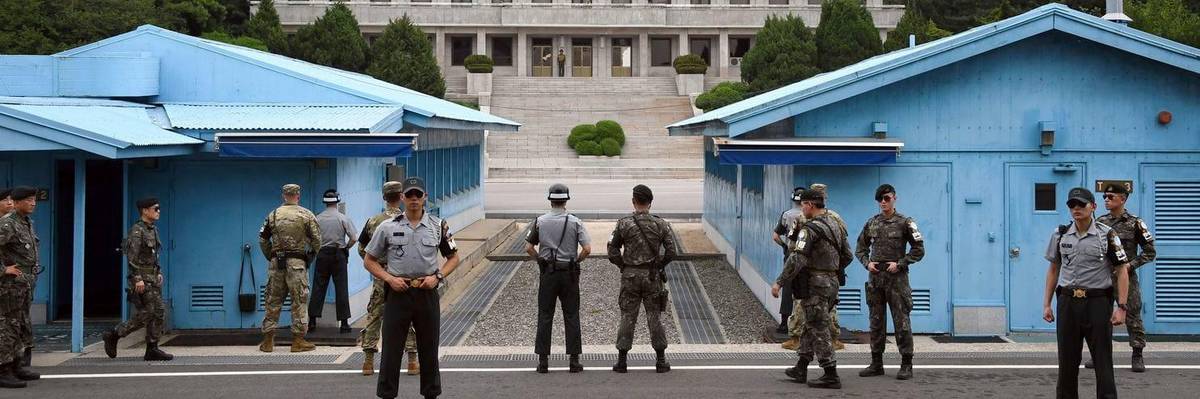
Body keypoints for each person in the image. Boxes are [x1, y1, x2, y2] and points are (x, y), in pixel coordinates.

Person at [363, 177, 460, 399]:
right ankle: (387, 394)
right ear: (402, 198)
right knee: (391, 349)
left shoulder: (438, 226)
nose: (414, 199)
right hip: (398, 292)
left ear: (425, 197)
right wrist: (388, 278)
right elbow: (369, 260)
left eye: (418, 195)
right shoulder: (388, 227)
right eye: (409, 195)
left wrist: (438, 276)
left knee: (429, 346)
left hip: (426, 292)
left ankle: (431, 393)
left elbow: (453, 258)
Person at [1043, 187, 1129, 399]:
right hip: (1068, 302)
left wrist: (1122, 307)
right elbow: (1054, 269)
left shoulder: (1107, 234)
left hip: (1097, 303)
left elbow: (1122, 270)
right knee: (1067, 361)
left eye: (1081, 204)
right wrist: (1046, 303)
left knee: (1102, 360)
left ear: (1093, 206)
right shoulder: (1060, 234)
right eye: (1072, 205)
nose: (1076, 208)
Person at [778, 188, 852, 389]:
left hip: (816, 284)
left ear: (810, 204)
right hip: (832, 282)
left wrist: (780, 282)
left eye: (803, 205)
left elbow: (797, 258)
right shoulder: (835, 224)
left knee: (819, 327)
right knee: (811, 324)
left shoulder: (809, 229)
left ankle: (830, 373)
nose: (802, 209)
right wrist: (831, 269)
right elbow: (848, 255)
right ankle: (801, 366)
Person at [855, 184, 924, 380]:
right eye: (880, 200)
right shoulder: (872, 223)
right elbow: (860, 248)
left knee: (901, 322)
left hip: (897, 279)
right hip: (876, 278)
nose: (883, 202)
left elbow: (919, 249)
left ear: (895, 198)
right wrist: (867, 263)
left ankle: (906, 364)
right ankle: (876, 363)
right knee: (876, 322)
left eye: (886, 198)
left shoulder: (905, 223)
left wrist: (901, 263)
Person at [608, 184, 676, 374]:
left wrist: (623, 265)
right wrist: (659, 264)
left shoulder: (624, 223)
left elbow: (612, 250)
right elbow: (671, 251)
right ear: (650, 203)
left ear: (633, 201)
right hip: (652, 276)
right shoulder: (660, 224)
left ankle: (622, 361)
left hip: (630, 276)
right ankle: (661, 360)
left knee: (627, 316)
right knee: (654, 316)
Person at [526, 183, 591, 373]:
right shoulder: (575, 222)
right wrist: (576, 260)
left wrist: (540, 260)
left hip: (548, 273)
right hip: (569, 273)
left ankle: (543, 361)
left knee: (545, 315)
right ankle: (574, 361)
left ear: (550, 200)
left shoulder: (540, 221)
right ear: (566, 200)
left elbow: (528, 247)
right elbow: (587, 249)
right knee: (571, 314)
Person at [358, 182, 420, 377]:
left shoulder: (373, 221)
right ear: (401, 197)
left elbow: (363, 249)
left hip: (381, 276)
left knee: (374, 315)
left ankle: (368, 362)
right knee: (409, 315)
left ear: (384, 198)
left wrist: (377, 266)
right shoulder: (408, 220)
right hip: (404, 276)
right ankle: (412, 360)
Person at [1092, 182, 1155, 373]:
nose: (1106, 200)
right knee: (1100, 317)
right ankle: (1099, 357)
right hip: (1103, 277)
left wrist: (1129, 266)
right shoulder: (1100, 222)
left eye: (1111, 197)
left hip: (1126, 277)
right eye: (1104, 197)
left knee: (1132, 314)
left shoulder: (1136, 223)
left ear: (1123, 199)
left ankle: (1137, 355)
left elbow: (1150, 252)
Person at [103, 197, 173, 361]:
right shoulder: (137, 231)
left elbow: (153, 255)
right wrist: (137, 278)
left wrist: (159, 271)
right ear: (145, 210)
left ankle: (152, 348)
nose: (158, 211)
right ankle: (114, 334)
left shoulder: (152, 230)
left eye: (159, 208)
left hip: (152, 278)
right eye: (155, 208)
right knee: (148, 313)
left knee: (159, 312)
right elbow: (132, 258)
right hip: (141, 279)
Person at [257, 184, 321, 353]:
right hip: (298, 264)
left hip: (276, 263)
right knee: (299, 300)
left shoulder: (273, 214)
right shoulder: (306, 214)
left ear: (283, 196)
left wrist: (271, 256)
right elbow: (317, 240)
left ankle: (268, 341)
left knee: (272, 300)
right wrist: (310, 256)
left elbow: (263, 239)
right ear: (298, 196)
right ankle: (298, 341)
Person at [0, 186, 42, 388]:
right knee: (8, 326)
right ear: (16, 203)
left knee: (21, 325)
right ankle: (3, 369)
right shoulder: (7, 224)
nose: (32, 203)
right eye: (27, 200)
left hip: (24, 284)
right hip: (10, 286)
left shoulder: (26, 222)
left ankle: (17, 364)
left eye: (34, 199)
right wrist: (3, 270)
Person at [311, 189, 357, 333]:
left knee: (318, 287)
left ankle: (312, 321)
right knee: (341, 287)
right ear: (337, 201)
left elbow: (311, 239)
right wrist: (346, 248)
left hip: (322, 254)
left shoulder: (317, 219)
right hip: (339, 254)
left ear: (325, 202)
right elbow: (354, 238)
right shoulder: (343, 218)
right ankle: (344, 323)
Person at [772, 187, 805, 350]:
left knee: (788, 289)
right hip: (808, 258)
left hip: (791, 256)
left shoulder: (787, 214)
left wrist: (785, 247)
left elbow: (775, 236)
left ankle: (784, 323)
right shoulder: (810, 215)